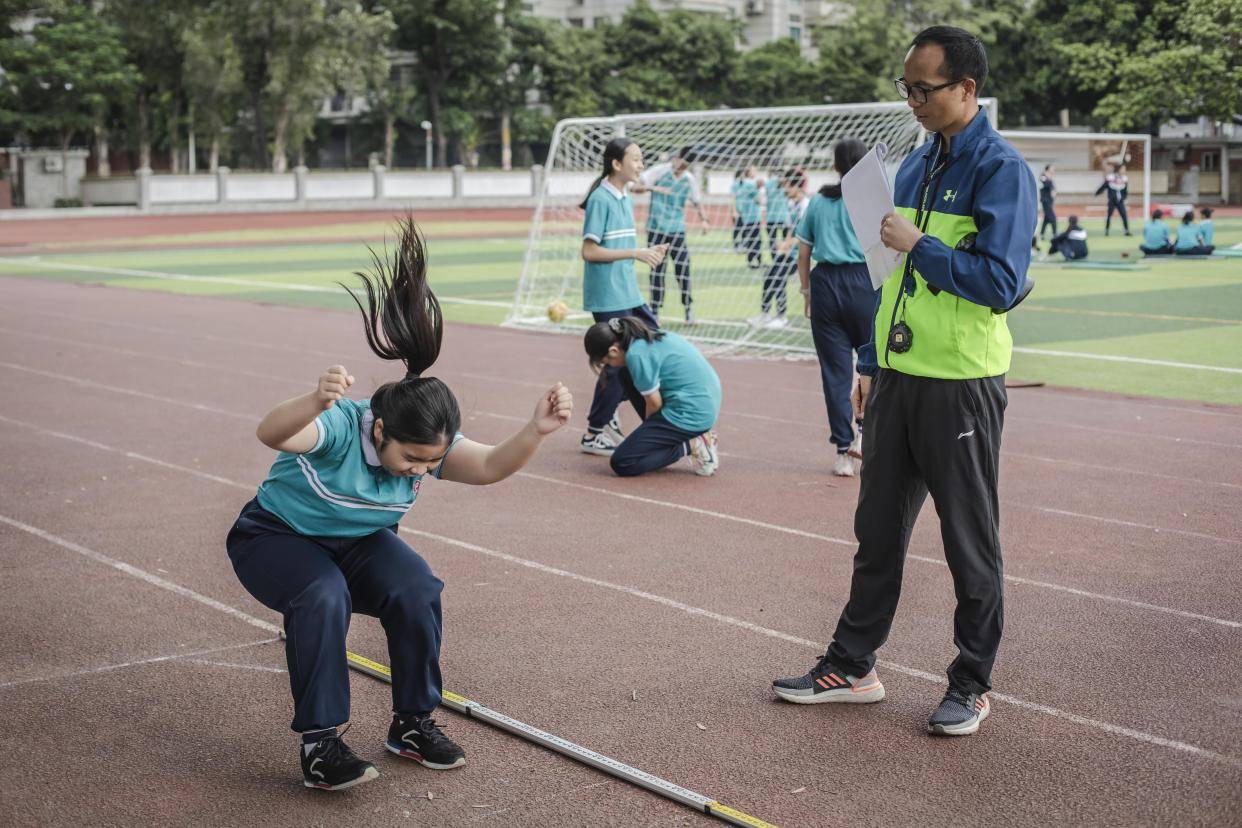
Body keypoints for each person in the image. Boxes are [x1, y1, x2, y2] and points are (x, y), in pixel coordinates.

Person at [226, 219, 574, 790]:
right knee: (321, 594)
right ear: (380, 429)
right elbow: (273, 434)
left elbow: (487, 467)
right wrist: (315, 400)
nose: (421, 470)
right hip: (276, 539)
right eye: (411, 459)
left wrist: (535, 431)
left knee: (417, 588)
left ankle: (411, 724)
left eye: (428, 461)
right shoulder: (339, 427)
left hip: (357, 544)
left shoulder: (427, 443)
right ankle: (321, 744)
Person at [773, 26, 1036, 737]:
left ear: (967, 89)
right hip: (895, 377)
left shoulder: (1002, 172)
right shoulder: (915, 167)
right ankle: (852, 666)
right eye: (906, 88)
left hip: (961, 385)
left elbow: (1003, 284)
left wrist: (921, 243)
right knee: (877, 534)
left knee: (968, 542)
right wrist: (867, 363)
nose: (913, 100)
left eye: (924, 89)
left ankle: (972, 683)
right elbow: (888, 283)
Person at [577, 137, 668, 458]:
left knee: (654, 341)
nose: (642, 164)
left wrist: (648, 253)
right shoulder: (601, 199)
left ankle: (612, 410)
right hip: (608, 296)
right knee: (617, 363)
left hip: (628, 292)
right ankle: (594, 432)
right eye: (637, 159)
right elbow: (589, 251)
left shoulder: (623, 195)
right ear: (617, 164)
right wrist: (636, 252)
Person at [794, 139, 871, 477]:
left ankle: (843, 449)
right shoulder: (871, 201)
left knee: (835, 374)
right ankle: (868, 439)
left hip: (825, 285)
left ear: (837, 166)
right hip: (864, 284)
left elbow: (803, 254)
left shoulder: (818, 202)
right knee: (875, 368)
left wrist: (807, 293)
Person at [583, 317, 721, 477]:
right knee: (624, 374)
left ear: (613, 351)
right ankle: (666, 438)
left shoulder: (637, 356)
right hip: (703, 402)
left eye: (606, 361)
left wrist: (648, 431)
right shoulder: (643, 337)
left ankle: (693, 445)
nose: (608, 366)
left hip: (692, 414)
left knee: (622, 462)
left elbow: (654, 403)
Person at [634, 146, 709, 325]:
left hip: (677, 231)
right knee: (657, 270)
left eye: (686, 166)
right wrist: (653, 188)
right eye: (681, 164)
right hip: (656, 229)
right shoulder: (659, 171)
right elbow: (635, 187)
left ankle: (689, 312)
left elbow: (697, 201)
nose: (682, 168)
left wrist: (704, 219)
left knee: (683, 269)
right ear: (676, 158)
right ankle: (655, 312)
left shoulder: (689, 179)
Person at [750, 167, 811, 329]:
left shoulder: (806, 205)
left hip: (801, 254)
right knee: (770, 275)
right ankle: (765, 314)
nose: (784, 189)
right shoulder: (792, 204)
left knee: (778, 277)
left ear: (796, 186)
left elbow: (806, 233)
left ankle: (782, 317)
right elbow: (792, 229)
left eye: (787, 186)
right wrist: (784, 244)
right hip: (789, 252)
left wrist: (787, 243)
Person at [732, 166, 763, 268]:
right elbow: (759, 200)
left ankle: (751, 261)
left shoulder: (744, 184)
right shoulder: (750, 184)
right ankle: (758, 261)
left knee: (750, 239)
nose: (755, 172)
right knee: (756, 239)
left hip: (746, 216)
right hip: (753, 216)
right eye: (753, 171)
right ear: (749, 172)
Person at [1095, 163, 1131, 236]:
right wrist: (1097, 193)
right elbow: (1104, 186)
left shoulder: (1124, 178)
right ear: (1119, 169)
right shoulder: (1110, 177)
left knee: (1124, 215)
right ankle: (1107, 230)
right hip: (1112, 200)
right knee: (1109, 215)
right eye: (1123, 169)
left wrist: (1125, 197)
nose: (1124, 170)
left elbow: (1125, 190)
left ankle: (1126, 231)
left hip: (1120, 201)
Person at [1038, 164, 1057, 239]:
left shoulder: (1050, 178)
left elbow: (1053, 188)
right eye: (1052, 169)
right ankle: (1055, 234)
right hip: (1045, 200)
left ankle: (1041, 234)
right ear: (1047, 169)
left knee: (1046, 218)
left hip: (1049, 200)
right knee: (1053, 217)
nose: (1053, 170)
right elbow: (1046, 184)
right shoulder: (1043, 177)